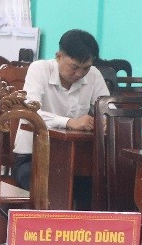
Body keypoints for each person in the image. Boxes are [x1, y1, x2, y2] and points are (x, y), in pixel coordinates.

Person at [13, 29, 110, 195]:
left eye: (86, 68)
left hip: (76, 159)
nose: (79, 74)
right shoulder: (40, 69)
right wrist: (69, 122)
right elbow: (29, 113)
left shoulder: (94, 75)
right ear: (58, 57)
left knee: (99, 190)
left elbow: (108, 109)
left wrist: (106, 121)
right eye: (74, 67)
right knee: (54, 190)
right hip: (33, 157)